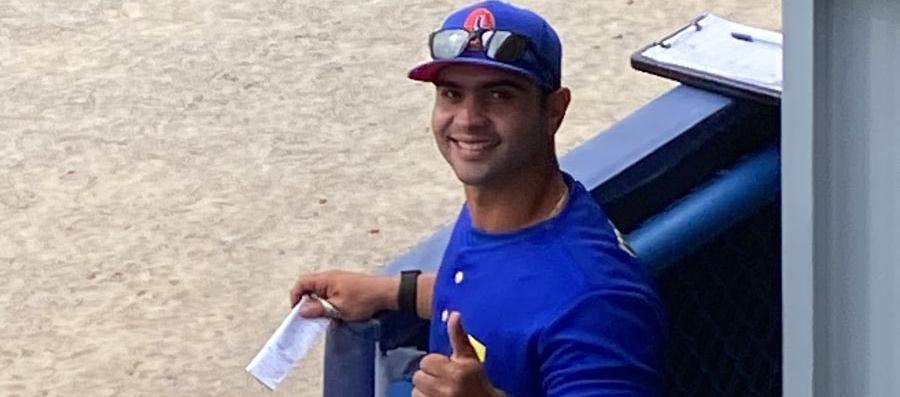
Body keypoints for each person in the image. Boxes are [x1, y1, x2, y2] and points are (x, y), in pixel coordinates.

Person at [290, 1, 666, 396]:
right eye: (452, 94)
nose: (468, 119)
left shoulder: (597, 300)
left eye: (499, 95)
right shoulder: (504, 206)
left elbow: (540, 297)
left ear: (554, 110)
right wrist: (386, 292)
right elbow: (499, 295)